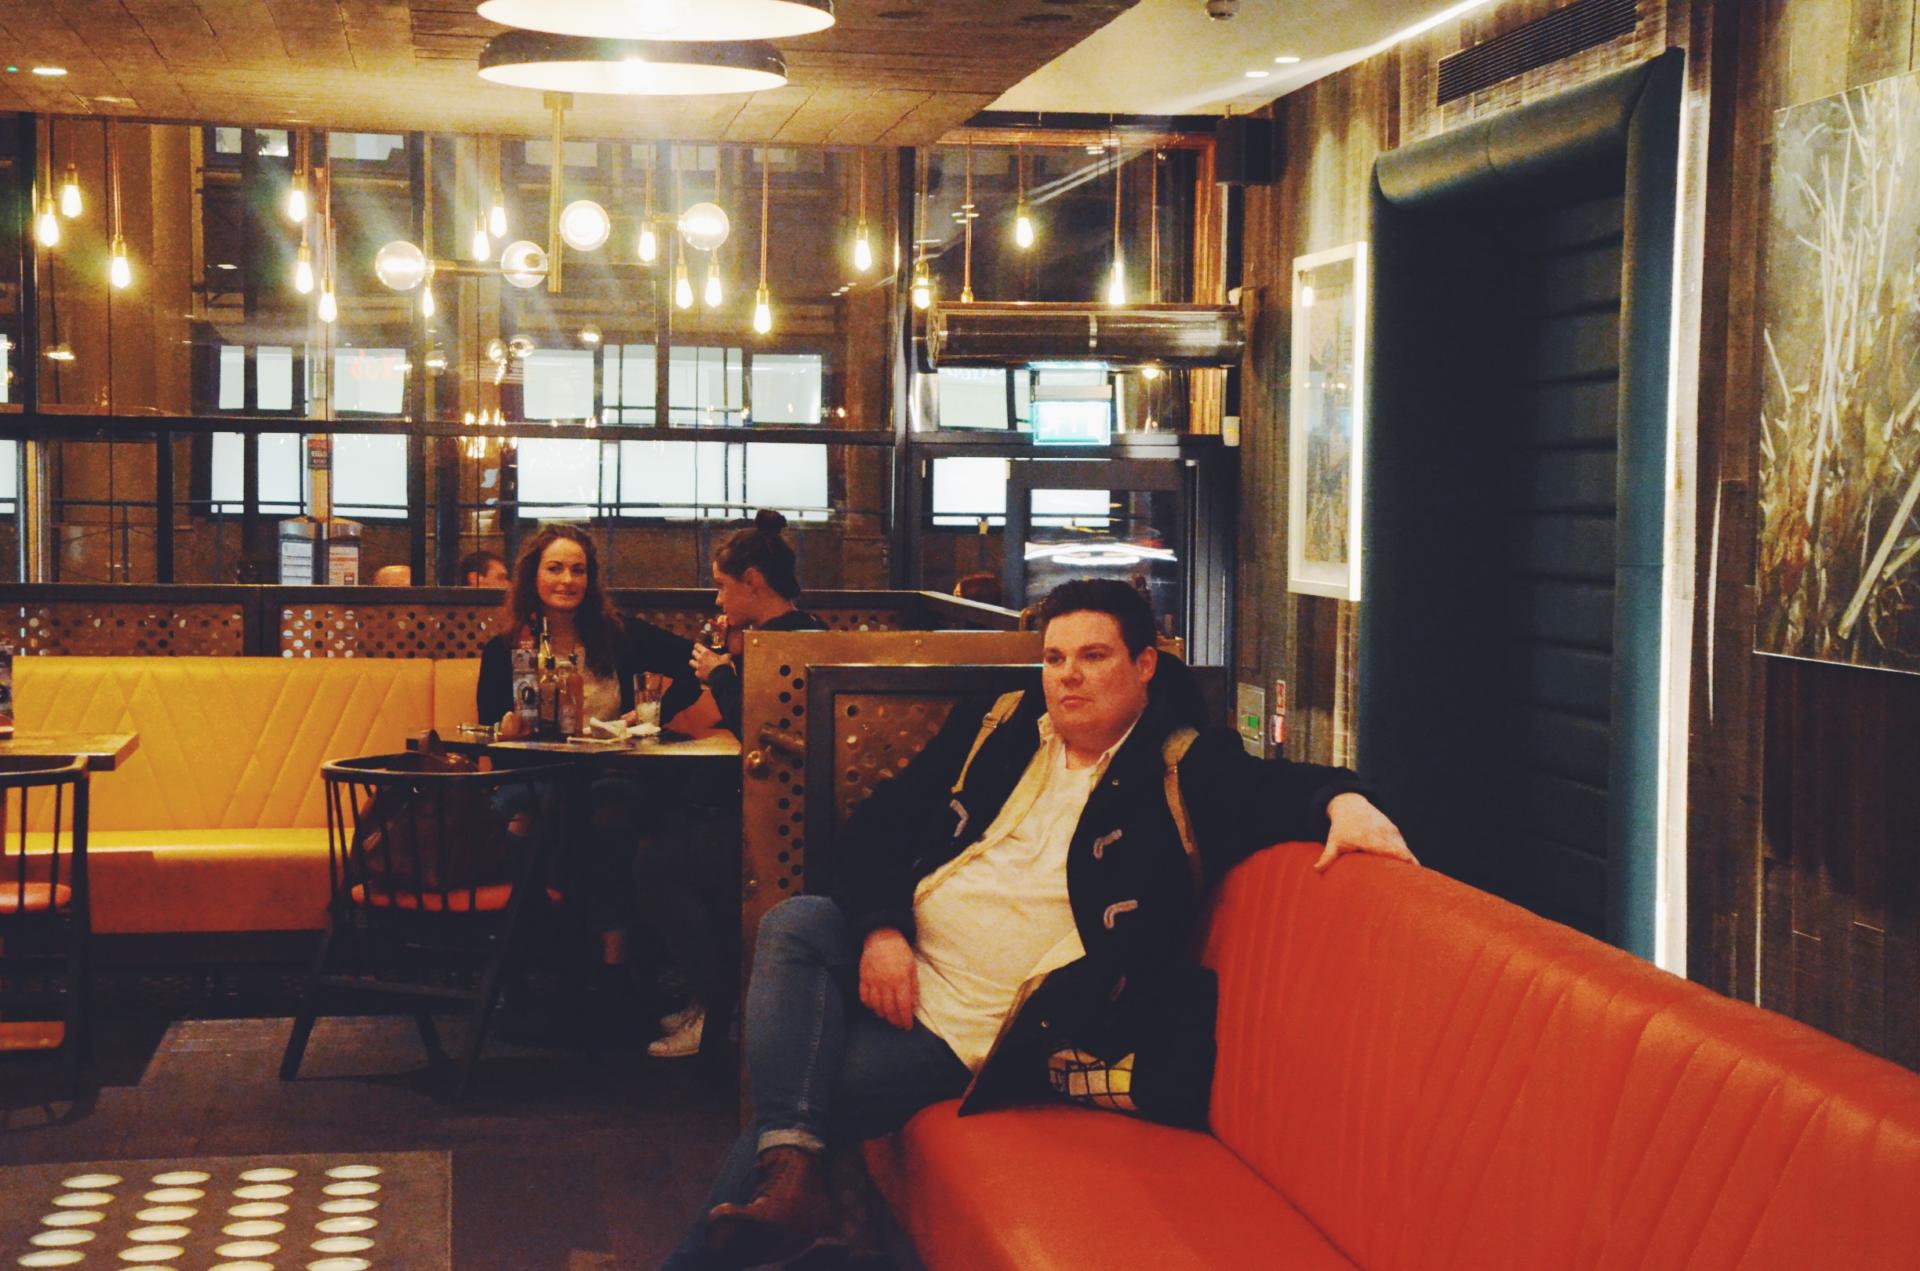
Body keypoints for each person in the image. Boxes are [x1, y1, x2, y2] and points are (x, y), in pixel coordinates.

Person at [662, 578, 1415, 1269]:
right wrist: (882, 931)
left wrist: (1344, 802)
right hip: (905, 963)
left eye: (1093, 656)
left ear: (1144, 665)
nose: (1068, 676)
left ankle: (766, 1200)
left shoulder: (1182, 765)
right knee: (796, 922)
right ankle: (794, 1180)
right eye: (1055, 658)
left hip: (978, 1027)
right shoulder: (1004, 724)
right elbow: (880, 825)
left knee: (805, 1094)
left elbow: (1276, 786)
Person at [637, 510, 828, 1060]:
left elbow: (768, 734)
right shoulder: (787, 635)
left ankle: (719, 1009)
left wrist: (720, 676)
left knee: (655, 865)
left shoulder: (793, 644)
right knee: (655, 826)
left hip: (786, 824)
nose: (719, 600)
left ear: (753, 581)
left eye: (722, 586)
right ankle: (712, 1002)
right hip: (763, 808)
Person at [476, 525, 699, 996]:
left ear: (590, 579)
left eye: (578, 570)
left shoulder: (618, 636)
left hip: (611, 771)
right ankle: (560, 957)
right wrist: (510, 724)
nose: (567, 580)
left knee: (604, 812)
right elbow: (490, 731)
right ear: (533, 576)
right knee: (528, 814)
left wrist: (652, 712)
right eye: (555, 568)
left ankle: (605, 962)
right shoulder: (506, 649)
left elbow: (694, 667)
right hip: (536, 776)